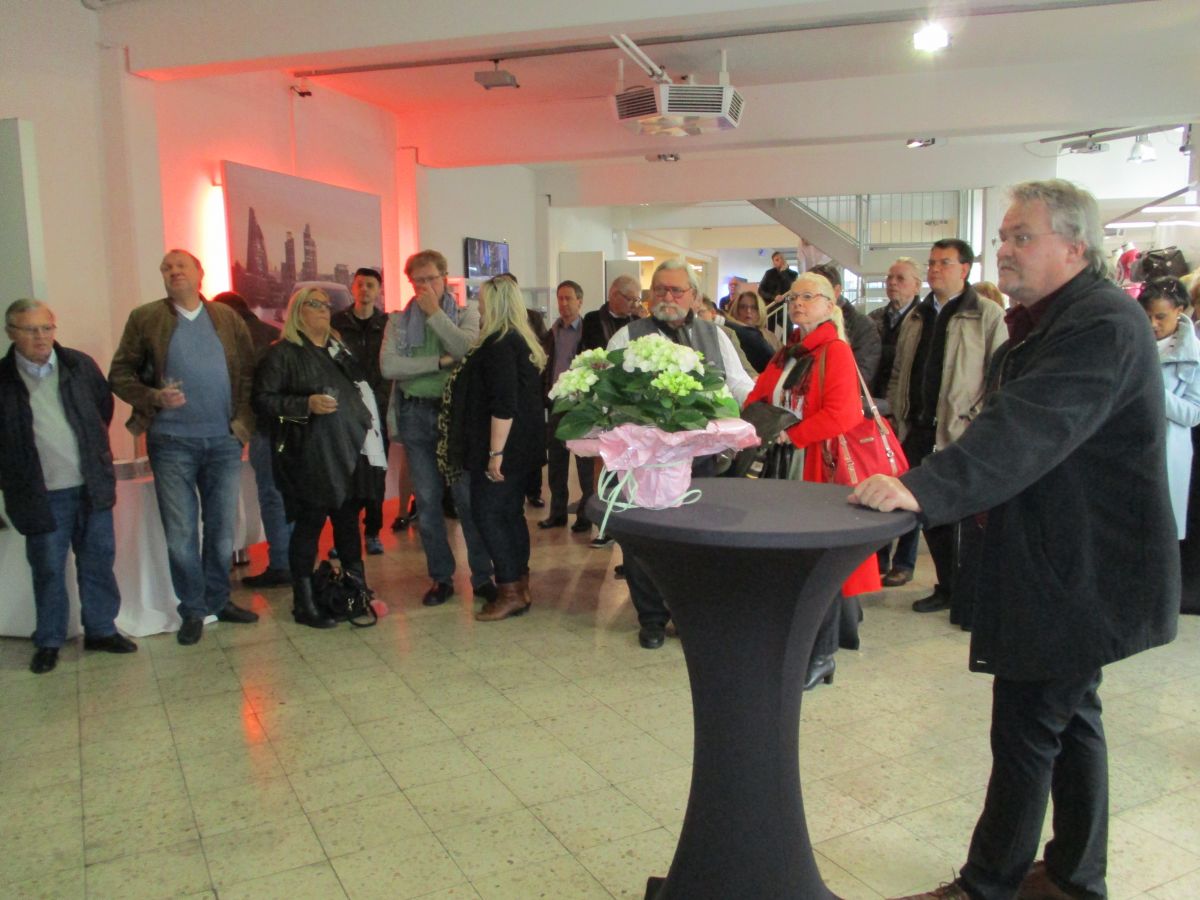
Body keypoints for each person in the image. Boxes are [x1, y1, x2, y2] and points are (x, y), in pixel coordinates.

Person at [853, 179, 1179, 900]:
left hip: (1079, 569)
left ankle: (988, 886)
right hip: (1069, 562)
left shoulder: (1099, 323)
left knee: (1029, 729)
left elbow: (1030, 425)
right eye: (1002, 236)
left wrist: (923, 487)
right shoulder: (1056, 318)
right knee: (1071, 720)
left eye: (1022, 236)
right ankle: (1073, 877)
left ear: (1075, 247)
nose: (1003, 249)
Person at [109, 249, 258, 646]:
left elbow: (248, 374)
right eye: (167, 267)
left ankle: (219, 600)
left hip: (223, 442)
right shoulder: (145, 318)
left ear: (199, 273)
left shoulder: (226, 318)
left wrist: (241, 426)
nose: (173, 271)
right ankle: (193, 608)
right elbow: (119, 374)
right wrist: (153, 397)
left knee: (222, 530)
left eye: (181, 266)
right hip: (172, 442)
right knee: (180, 533)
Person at [608, 258, 754, 648]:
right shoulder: (627, 336)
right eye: (660, 289)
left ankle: (690, 615)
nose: (667, 297)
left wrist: (761, 405)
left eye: (676, 290)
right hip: (645, 464)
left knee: (697, 541)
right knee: (643, 543)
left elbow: (738, 384)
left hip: (703, 460)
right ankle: (652, 619)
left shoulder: (715, 335)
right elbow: (609, 392)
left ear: (694, 296)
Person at [742, 274, 878, 689]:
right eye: (793, 297)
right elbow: (757, 396)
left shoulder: (834, 350)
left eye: (808, 296)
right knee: (793, 560)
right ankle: (800, 645)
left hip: (817, 466)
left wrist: (792, 434)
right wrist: (764, 423)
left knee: (819, 563)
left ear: (829, 304)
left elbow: (844, 414)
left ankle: (822, 654)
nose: (798, 303)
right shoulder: (790, 351)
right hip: (787, 466)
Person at [1, 299, 136, 674]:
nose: (41, 336)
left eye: (46, 328)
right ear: (11, 333)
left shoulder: (78, 365)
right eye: (30, 329)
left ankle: (101, 630)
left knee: (98, 561)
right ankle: (49, 640)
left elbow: (102, 409)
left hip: (91, 485)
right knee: (48, 569)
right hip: (40, 495)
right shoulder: (3, 380)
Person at [253, 287, 387, 628]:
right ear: (298, 311)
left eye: (327, 305)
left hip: (348, 450)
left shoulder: (337, 351)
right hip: (308, 455)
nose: (324, 309)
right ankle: (305, 603)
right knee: (309, 525)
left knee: (347, 523)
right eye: (315, 304)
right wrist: (305, 405)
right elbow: (263, 401)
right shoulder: (282, 354)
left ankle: (356, 592)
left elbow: (362, 387)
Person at [883, 240, 1005, 608]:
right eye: (932, 263)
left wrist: (977, 420)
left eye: (945, 263)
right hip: (918, 429)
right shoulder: (917, 317)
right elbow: (900, 372)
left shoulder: (985, 315)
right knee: (927, 512)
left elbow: (999, 375)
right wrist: (899, 415)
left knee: (962, 518)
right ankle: (948, 587)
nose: (935, 269)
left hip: (960, 431)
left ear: (964, 269)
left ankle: (967, 592)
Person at [379, 250, 494, 607]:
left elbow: (466, 349)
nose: (425, 287)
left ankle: (482, 577)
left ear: (445, 277)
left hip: (454, 416)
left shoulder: (466, 313)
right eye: (418, 281)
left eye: (431, 278)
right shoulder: (399, 320)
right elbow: (389, 366)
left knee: (466, 500)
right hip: (415, 414)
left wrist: (435, 315)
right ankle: (441, 578)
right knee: (427, 502)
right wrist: (441, 362)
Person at [441, 277, 546, 621]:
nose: (479, 306)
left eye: (483, 300)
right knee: (510, 515)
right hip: (521, 448)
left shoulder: (498, 344)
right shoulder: (520, 340)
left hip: (503, 449)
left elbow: (504, 403)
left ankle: (511, 590)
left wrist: (495, 454)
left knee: (489, 515)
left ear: (495, 303)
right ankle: (519, 585)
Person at [211, 291, 293, 589]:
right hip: (291, 427)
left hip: (261, 428)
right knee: (290, 495)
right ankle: (295, 560)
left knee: (271, 497)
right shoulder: (275, 334)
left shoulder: (230, 340)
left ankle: (281, 563)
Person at [867, 258, 922, 581]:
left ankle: (905, 561)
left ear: (916, 284)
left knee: (909, 483)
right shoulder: (875, 319)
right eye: (889, 277)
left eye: (900, 278)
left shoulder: (922, 320)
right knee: (879, 480)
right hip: (876, 412)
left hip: (906, 412)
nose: (892, 283)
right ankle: (879, 557)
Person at [331, 267, 391, 556]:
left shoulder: (387, 324)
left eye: (370, 285)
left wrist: (382, 399)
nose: (364, 289)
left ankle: (373, 531)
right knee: (347, 471)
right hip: (346, 410)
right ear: (352, 287)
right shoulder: (337, 323)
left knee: (376, 472)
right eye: (360, 284)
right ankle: (346, 535)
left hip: (378, 408)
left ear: (378, 290)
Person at [1137, 276, 1200, 539]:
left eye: (1160, 316)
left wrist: (1152, 388)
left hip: (1166, 453)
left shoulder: (1194, 356)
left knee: (1157, 531)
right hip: (1129, 449)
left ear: (1179, 310)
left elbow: (1193, 414)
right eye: (1147, 316)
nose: (1153, 324)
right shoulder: (1133, 343)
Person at [539, 280, 593, 533]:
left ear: (579, 302)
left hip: (580, 405)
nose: (563, 303)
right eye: (560, 298)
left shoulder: (587, 332)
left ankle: (586, 514)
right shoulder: (552, 333)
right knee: (557, 463)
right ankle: (558, 512)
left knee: (584, 464)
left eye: (568, 298)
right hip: (556, 403)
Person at [806, 263, 881, 386]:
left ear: (836, 291)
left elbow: (859, 376)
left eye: (817, 291)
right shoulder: (807, 326)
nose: (806, 300)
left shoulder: (863, 326)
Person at [580, 275, 638, 352]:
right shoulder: (592, 320)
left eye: (636, 300)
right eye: (630, 299)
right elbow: (587, 352)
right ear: (615, 295)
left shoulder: (636, 321)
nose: (635, 305)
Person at [729, 290, 781, 371]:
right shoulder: (729, 333)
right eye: (743, 307)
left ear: (760, 310)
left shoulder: (770, 337)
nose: (748, 311)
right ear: (736, 310)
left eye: (754, 307)